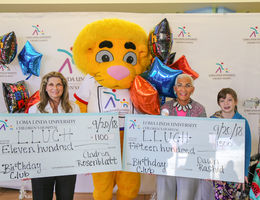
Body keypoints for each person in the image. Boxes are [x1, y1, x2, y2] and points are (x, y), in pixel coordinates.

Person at [157, 73, 214, 200]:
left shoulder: (199, 109)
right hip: (167, 160)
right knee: (164, 194)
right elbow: (160, 135)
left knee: (186, 195)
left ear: (192, 90)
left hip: (189, 160)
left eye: (187, 85)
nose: (183, 89)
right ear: (175, 89)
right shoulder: (165, 108)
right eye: (180, 85)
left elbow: (203, 136)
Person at [28, 71, 80, 200]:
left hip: (67, 163)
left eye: (59, 85)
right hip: (42, 163)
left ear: (64, 87)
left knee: (66, 197)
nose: (55, 88)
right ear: (45, 88)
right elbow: (29, 139)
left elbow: (79, 134)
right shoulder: (35, 109)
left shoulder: (74, 108)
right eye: (51, 84)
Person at [211, 88, 251, 200]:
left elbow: (247, 150)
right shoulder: (212, 120)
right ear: (218, 103)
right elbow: (208, 146)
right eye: (222, 100)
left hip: (235, 170)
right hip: (218, 170)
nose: (226, 103)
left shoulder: (242, 122)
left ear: (236, 101)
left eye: (229, 100)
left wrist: (244, 172)